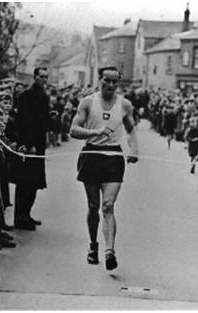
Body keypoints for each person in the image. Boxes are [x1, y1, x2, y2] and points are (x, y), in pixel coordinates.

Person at [70, 66, 139, 271]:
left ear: (118, 83)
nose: (110, 85)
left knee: (108, 205)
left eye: (114, 82)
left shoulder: (125, 104)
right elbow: (74, 129)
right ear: (99, 80)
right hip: (91, 154)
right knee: (93, 206)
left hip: (113, 158)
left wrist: (134, 149)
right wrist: (97, 131)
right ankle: (93, 245)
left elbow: (131, 128)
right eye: (106, 81)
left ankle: (110, 251)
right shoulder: (88, 102)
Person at [14, 67, 50, 230]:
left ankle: (26, 214)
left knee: (34, 181)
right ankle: (20, 217)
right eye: (41, 77)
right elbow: (24, 121)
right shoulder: (26, 95)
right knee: (25, 182)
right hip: (30, 145)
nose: (44, 80)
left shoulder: (44, 96)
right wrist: (30, 144)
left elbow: (42, 119)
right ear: (34, 77)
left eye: (46, 77)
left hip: (39, 143)